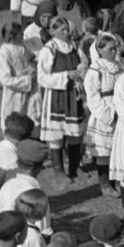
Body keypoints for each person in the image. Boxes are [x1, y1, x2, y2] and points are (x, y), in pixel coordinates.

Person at [37, 17, 86, 185]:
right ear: (52, 32)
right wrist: (66, 75)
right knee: (56, 135)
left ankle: (73, 167)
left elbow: (83, 66)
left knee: (75, 134)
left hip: (74, 95)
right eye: (61, 30)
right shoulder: (48, 51)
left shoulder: (75, 48)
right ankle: (58, 171)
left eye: (67, 30)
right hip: (56, 98)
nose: (66, 33)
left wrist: (81, 75)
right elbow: (42, 78)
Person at [85, 34, 122, 197]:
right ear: (100, 50)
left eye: (115, 48)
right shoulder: (95, 70)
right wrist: (108, 115)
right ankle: (105, 184)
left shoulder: (119, 67)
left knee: (117, 149)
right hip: (104, 113)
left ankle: (116, 180)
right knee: (104, 152)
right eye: (110, 49)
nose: (114, 52)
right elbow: (92, 96)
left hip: (120, 109)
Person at [0, 23, 39, 133]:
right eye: (20, 34)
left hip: (32, 95)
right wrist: (28, 80)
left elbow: (31, 62)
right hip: (14, 97)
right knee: (15, 128)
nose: (23, 35)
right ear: (12, 36)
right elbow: (6, 79)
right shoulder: (3, 55)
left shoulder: (23, 47)